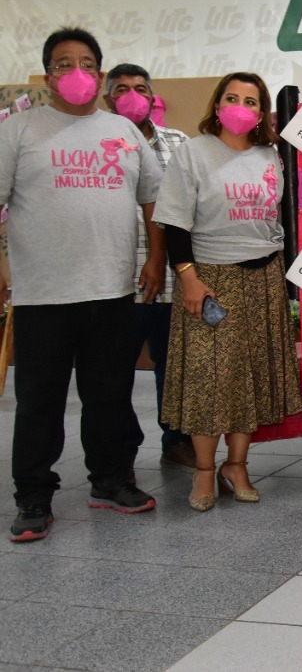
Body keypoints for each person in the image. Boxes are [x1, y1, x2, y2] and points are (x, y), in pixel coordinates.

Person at [2, 27, 164, 543]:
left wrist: (156, 257)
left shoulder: (123, 130)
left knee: (110, 396)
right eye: (64, 63)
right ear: (48, 75)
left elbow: (153, 199)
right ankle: (33, 497)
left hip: (112, 290)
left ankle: (110, 480)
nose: (77, 72)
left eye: (87, 64)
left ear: (100, 73)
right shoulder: (19, 130)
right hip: (43, 294)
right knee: (39, 403)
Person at [153, 71, 302, 512]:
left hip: (265, 276)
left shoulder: (271, 156)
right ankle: (204, 470)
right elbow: (174, 222)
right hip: (211, 279)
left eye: (251, 101)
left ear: (261, 112)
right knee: (209, 378)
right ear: (217, 105)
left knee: (250, 375)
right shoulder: (194, 153)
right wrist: (188, 277)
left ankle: (236, 466)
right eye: (232, 98)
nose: (241, 107)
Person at [103, 63, 195, 470]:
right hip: (117, 280)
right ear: (108, 99)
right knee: (113, 369)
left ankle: (176, 440)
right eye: (122, 89)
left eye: (140, 88)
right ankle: (122, 448)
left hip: (174, 278)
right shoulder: (98, 144)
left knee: (175, 367)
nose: (132, 96)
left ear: (152, 96)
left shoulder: (179, 143)